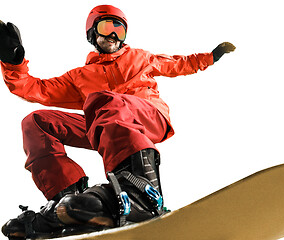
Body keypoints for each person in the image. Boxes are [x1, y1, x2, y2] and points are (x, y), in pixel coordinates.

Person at [0, 4, 235, 239]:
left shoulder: (141, 57)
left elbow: (178, 63)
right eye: (107, 27)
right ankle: (67, 203)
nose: (113, 35)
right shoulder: (80, 76)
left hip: (148, 116)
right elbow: (34, 89)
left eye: (119, 30)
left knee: (108, 102)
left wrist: (211, 56)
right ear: (92, 33)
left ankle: (140, 193)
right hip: (106, 124)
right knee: (36, 122)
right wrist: (13, 61)